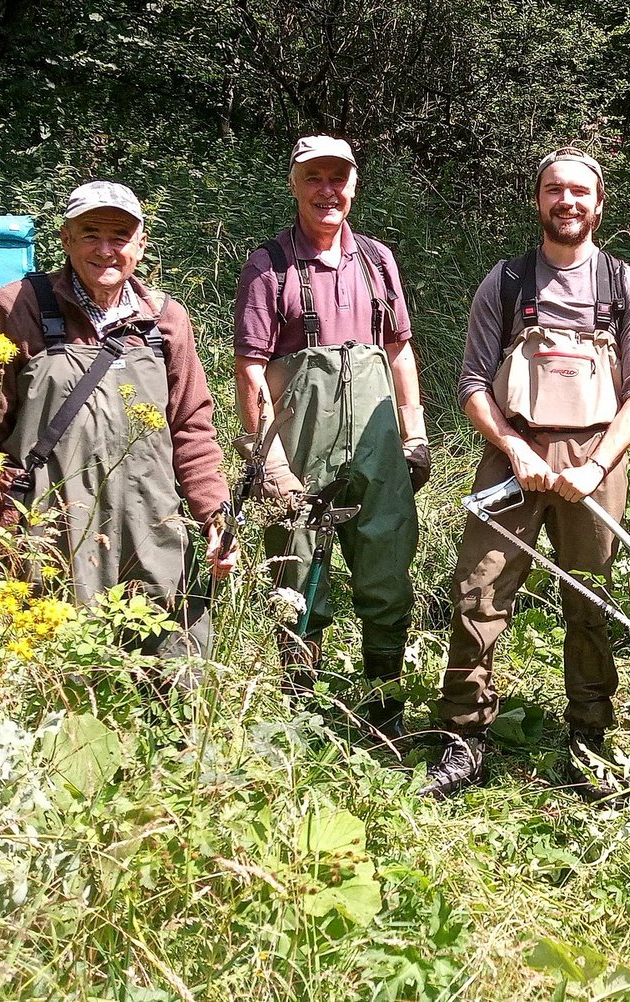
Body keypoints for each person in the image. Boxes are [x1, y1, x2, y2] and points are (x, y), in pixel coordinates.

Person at [421, 146, 630, 799]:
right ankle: (464, 743)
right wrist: (516, 449)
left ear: (600, 204)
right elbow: (472, 383)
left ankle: (589, 742)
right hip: (512, 455)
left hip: (594, 460)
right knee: (478, 597)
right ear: (538, 201)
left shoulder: (624, 286)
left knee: (589, 602)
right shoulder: (506, 282)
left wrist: (600, 463)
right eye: (555, 190)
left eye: (581, 192)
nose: (568, 202)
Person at [0, 180, 236, 664]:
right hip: (45, 528)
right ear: (65, 238)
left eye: (120, 235)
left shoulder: (165, 320)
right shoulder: (15, 306)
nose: (106, 249)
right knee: (45, 670)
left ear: (140, 245)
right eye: (90, 233)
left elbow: (192, 427)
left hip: (149, 528)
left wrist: (215, 514)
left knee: (163, 671)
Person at [233, 135, 426, 738]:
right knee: (296, 580)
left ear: (353, 185)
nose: (327, 191)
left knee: (388, 574)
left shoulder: (377, 260)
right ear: (294, 184)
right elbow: (251, 368)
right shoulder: (269, 267)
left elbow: (398, 351)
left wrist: (414, 436)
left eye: (337, 178)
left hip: (378, 447)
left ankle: (384, 707)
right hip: (298, 448)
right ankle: (301, 714)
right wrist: (272, 462)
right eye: (314, 178)